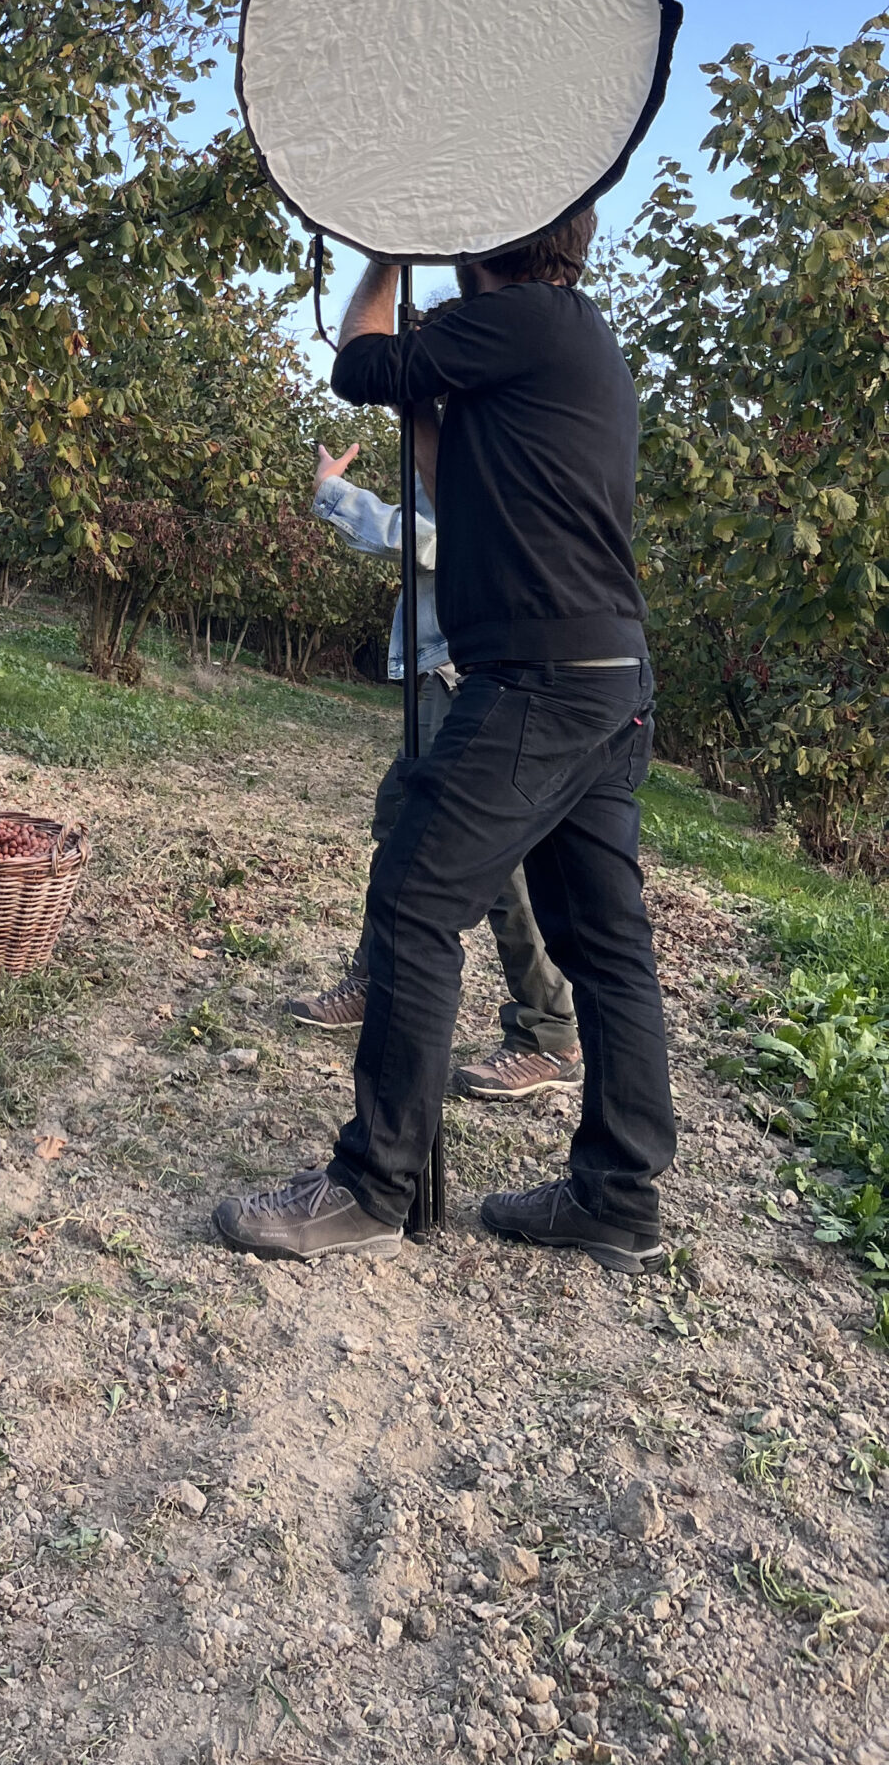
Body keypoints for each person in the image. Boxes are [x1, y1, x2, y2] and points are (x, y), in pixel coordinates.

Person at [214, 207, 675, 1272]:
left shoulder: (519, 317)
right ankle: (618, 1197)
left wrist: (389, 243)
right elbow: (446, 484)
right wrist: (425, 403)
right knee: (603, 942)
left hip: (539, 678)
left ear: (486, 241)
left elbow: (358, 362)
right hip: (607, 677)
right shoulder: (572, 339)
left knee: (415, 898)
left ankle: (374, 1186)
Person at [289, 439, 582, 1103]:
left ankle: (549, 1031)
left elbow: (450, 547)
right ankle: (376, 978)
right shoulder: (449, 435)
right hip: (442, 669)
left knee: (489, 857)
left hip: (472, 670)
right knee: (400, 824)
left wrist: (336, 496)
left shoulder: (495, 439)